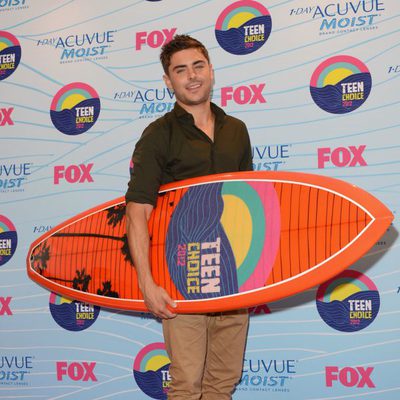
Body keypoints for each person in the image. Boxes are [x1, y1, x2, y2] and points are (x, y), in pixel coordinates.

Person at [125, 35, 253, 400]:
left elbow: (250, 205)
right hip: (182, 274)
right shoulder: (157, 136)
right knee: (187, 386)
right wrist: (147, 284)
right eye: (180, 70)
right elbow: (137, 213)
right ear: (168, 81)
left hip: (234, 276)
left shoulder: (237, 131)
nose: (192, 76)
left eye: (198, 66)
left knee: (222, 384)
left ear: (211, 70)